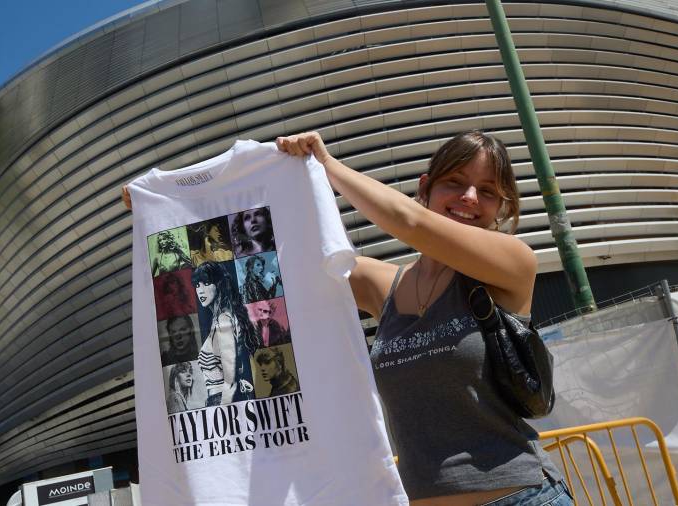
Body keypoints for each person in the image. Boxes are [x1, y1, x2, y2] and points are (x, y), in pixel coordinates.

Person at [276, 130, 572, 506]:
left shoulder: (512, 263)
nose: (469, 198)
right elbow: (286, 273)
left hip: (522, 497)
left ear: (501, 207)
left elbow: (410, 222)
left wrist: (326, 164)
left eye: (487, 191)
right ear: (425, 187)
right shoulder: (381, 284)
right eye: (456, 182)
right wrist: (282, 173)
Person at [192, 261, 260, 406]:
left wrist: (223, 413)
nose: (200, 290)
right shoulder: (220, 318)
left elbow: (230, 380)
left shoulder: (224, 319)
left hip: (223, 401)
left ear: (219, 284)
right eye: (197, 285)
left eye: (206, 283)